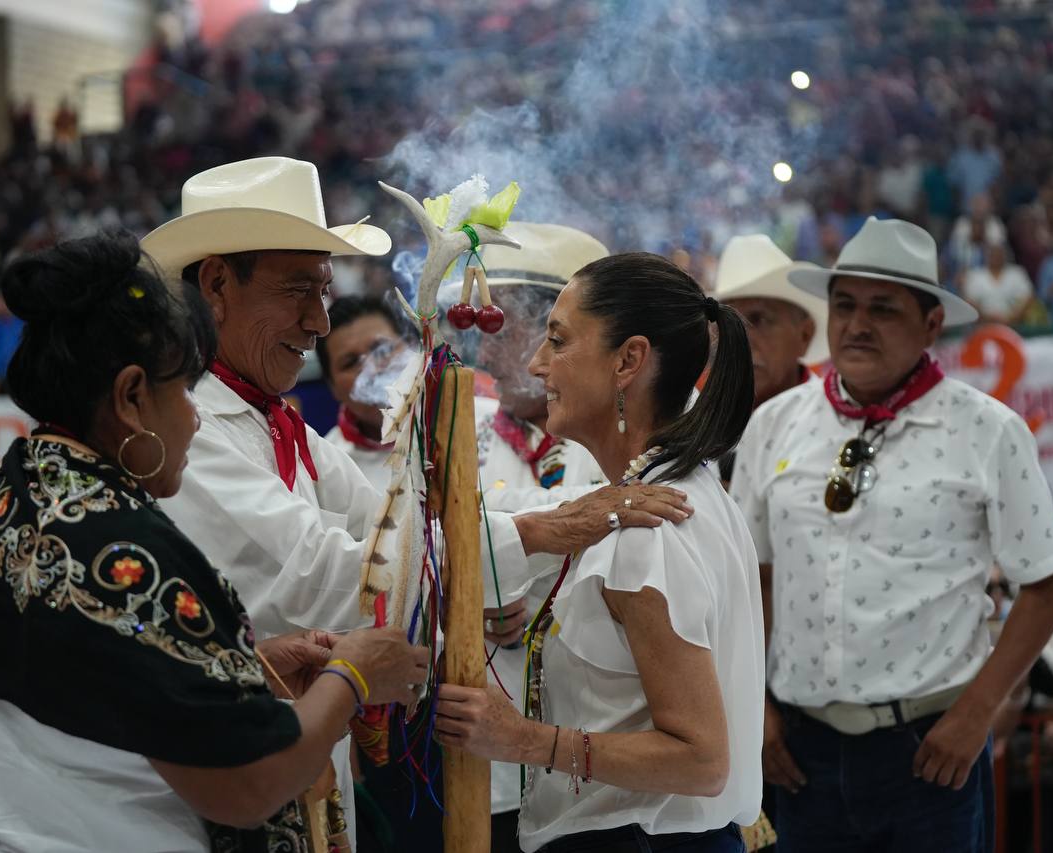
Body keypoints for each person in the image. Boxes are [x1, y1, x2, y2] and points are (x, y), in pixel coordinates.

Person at [143, 158, 694, 840]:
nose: (318, 321)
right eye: (297, 292)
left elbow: (400, 531)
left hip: (304, 772)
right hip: (226, 789)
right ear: (217, 284)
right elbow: (341, 575)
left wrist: (522, 544)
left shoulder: (278, 425)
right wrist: (540, 531)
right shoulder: (192, 428)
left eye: (323, 291)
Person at [0, 232, 428, 852]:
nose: (196, 417)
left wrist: (251, 664)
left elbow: (91, 689)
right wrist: (352, 677)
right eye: (185, 391)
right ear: (132, 397)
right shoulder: (129, 554)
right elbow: (246, 787)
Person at [731, 217, 1053, 853]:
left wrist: (977, 716)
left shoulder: (986, 430)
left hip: (930, 750)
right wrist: (758, 710)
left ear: (932, 325)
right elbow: (752, 577)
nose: (858, 325)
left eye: (883, 310)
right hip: (800, 753)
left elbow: (1050, 586)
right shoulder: (773, 424)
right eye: (845, 306)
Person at [435, 252, 765, 853]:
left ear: (628, 360)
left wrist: (526, 741)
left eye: (557, 341)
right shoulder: (676, 489)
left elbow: (701, 760)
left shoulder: (646, 529)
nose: (537, 364)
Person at [472, 222, 612, 851]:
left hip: (601, 761)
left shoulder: (626, 433)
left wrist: (508, 557)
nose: (481, 352)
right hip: (490, 770)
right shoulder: (449, 427)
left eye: (499, 328)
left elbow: (624, 524)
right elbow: (428, 550)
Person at [713, 235, 826, 485]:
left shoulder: (834, 422)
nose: (741, 338)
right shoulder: (692, 418)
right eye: (729, 323)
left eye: (760, 319)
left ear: (804, 334)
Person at [316, 295, 408, 489]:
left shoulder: (475, 420)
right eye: (351, 363)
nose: (372, 369)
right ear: (332, 387)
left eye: (382, 349)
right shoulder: (326, 470)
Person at [962, 241, 1034, 326]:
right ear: (987, 256)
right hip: (982, 326)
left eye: (999, 253)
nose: (996, 257)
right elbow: (969, 301)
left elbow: (1028, 298)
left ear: (1005, 255)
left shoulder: (1017, 273)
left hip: (1014, 325)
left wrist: (1012, 318)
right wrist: (988, 318)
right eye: (993, 254)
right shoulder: (976, 276)